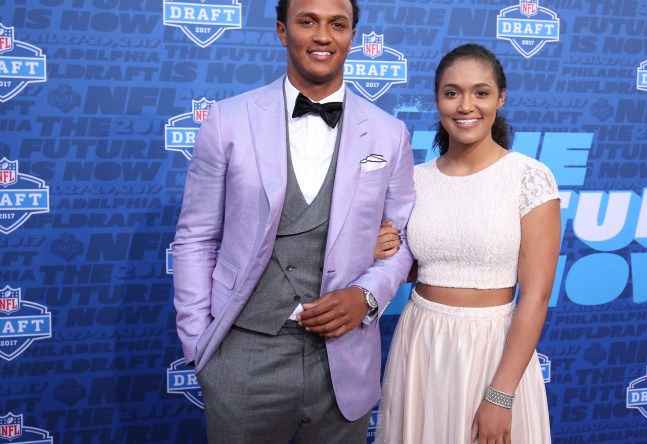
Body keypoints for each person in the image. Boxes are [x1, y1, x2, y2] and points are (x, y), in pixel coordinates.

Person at [171, 0, 415, 441]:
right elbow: (195, 238)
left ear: (352, 36)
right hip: (243, 356)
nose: (323, 36)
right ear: (283, 32)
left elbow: (403, 240)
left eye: (337, 24)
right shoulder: (228, 121)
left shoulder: (389, 133)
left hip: (345, 361)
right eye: (308, 21)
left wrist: (367, 295)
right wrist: (198, 343)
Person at [375, 44, 561, 443]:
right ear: (438, 99)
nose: (466, 106)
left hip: (493, 348)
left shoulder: (529, 177)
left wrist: (500, 394)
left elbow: (536, 296)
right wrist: (378, 247)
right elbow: (413, 263)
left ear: (500, 97)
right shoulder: (415, 179)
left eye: (480, 92)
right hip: (421, 342)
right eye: (452, 92)